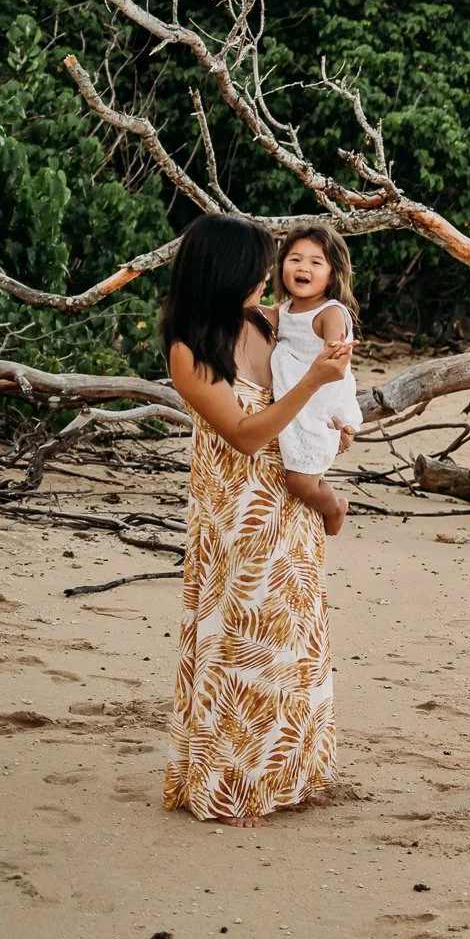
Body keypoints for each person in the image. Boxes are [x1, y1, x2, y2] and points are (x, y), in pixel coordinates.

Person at [157, 213, 357, 828]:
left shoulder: (259, 325)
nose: (268, 278)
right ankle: (231, 788)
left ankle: (288, 776)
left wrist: (330, 412)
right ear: (226, 270)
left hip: (286, 506)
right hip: (235, 517)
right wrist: (315, 385)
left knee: (294, 643)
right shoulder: (188, 349)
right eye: (257, 266)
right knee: (242, 643)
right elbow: (244, 434)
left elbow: (306, 372)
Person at [271, 226, 364, 537]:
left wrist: (336, 349)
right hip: (293, 404)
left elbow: (335, 356)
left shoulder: (331, 312)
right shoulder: (282, 310)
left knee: (300, 481)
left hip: (318, 406)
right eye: (295, 259)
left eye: (315, 262)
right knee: (292, 473)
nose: (303, 268)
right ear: (281, 264)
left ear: (333, 274)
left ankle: (335, 507)